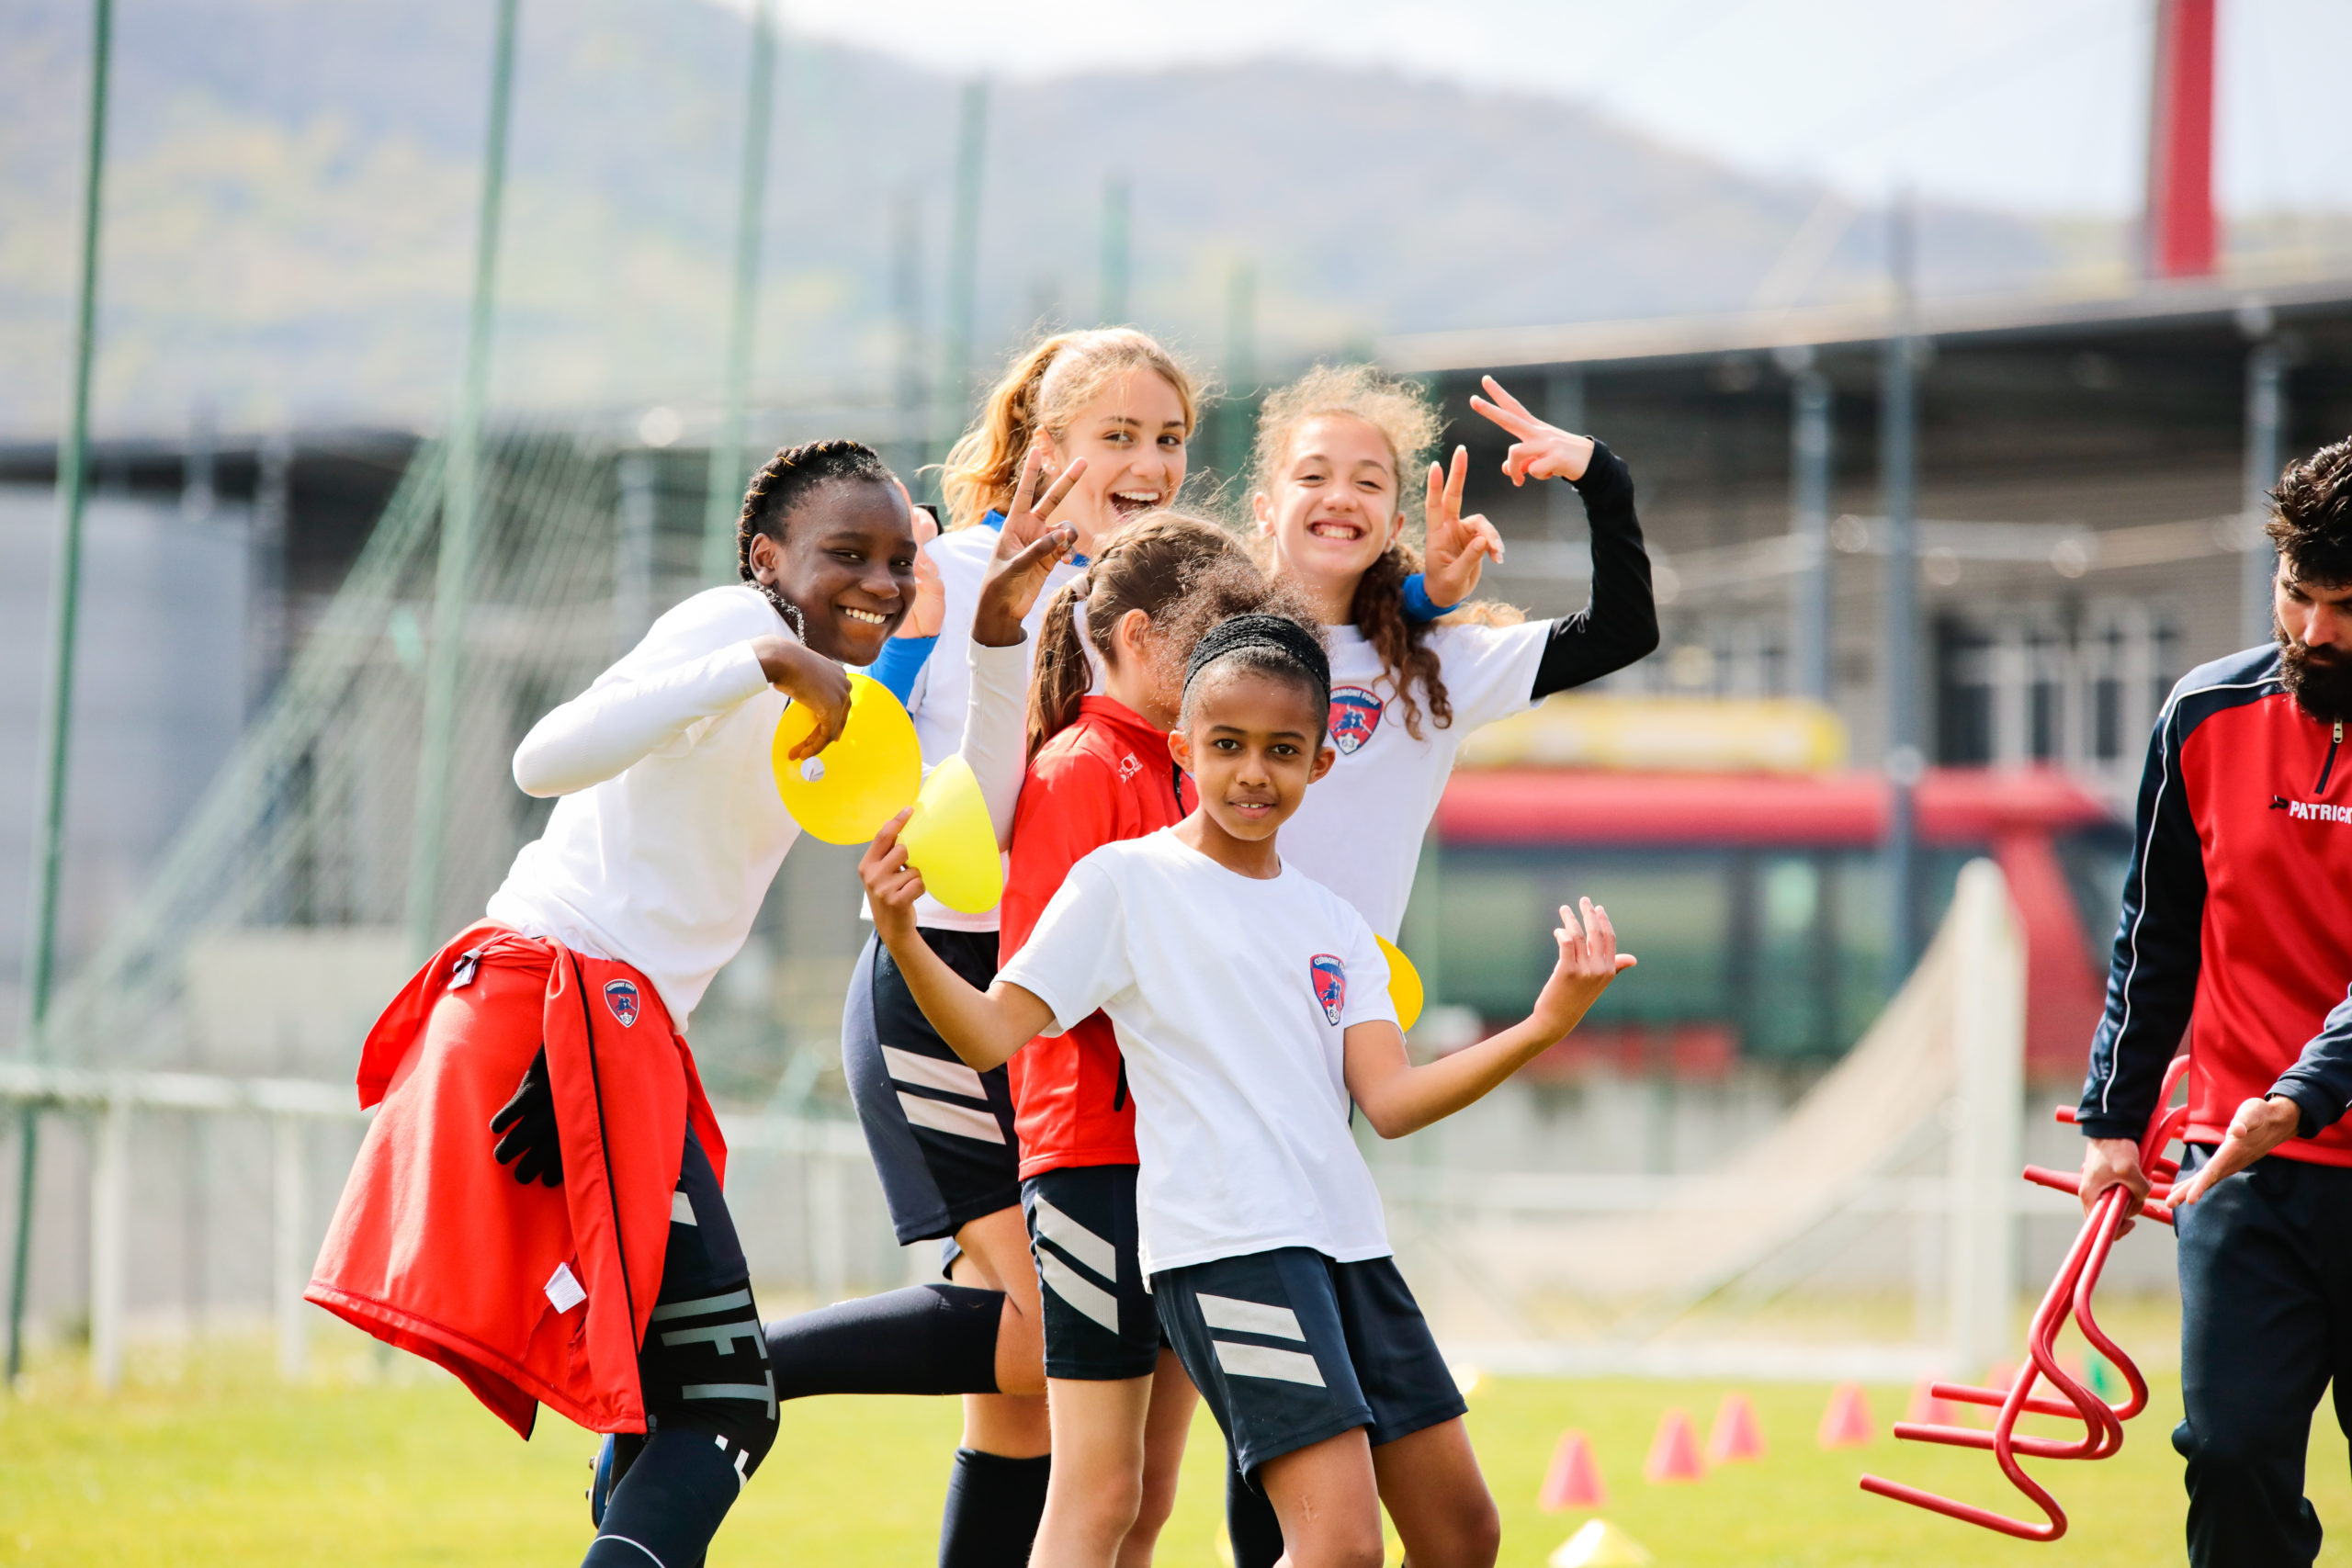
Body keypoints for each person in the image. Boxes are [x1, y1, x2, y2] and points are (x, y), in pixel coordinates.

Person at [308, 438, 1073, 1568]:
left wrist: (997, 628)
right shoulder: (730, 625)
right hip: (549, 1001)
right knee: (724, 1398)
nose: (879, 579)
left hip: (617, 1030)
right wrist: (758, 661)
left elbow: (966, 814)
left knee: (699, 1398)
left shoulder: (858, 702)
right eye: (844, 555)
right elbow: (540, 758)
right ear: (768, 559)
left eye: (897, 559)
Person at [860, 612, 1635, 1568]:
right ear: (1185, 747)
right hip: (1228, 1250)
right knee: (1338, 1545)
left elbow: (1388, 1104)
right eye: (1226, 746)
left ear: (1320, 764)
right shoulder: (1125, 882)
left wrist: (1542, 1025)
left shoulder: (1336, 924)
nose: (1253, 773)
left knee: (1463, 1533)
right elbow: (987, 1029)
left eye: (1282, 750)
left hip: (1349, 1248)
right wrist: (902, 939)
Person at [814, 326, 1203, 1568]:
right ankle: (722, 1373)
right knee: (1050, 1336)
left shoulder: (1159, 599)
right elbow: (948, 808)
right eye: (1119, 436)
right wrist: (984, 625)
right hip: (944, 983)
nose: (1149, 461)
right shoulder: (959, 569)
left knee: (1023, 1389)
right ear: (1050, 447)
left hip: (1068, 1006)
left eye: (1169, 439)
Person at [1000, 515, 1306, 1568]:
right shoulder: (1081, 765)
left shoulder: (1190, 768)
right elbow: (1052, 980)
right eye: (1212, 636)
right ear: (1137, 636)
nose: (1230, 665)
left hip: (1183, 1168)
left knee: (1153, 1496)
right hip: (1091, 1155)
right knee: (1097, 1491)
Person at [2076, 435, 2352, 1567]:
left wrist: (2297, 1094)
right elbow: (2155, 934)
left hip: (2286, 1117)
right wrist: (2111, 1118)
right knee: (2229, 1455)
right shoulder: (2200, 715)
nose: (2316, 632)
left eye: (2347, 607)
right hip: (2241, 1175)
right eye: (2298, 594)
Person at [1248, 365, 1658, 942]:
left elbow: (1623, 632)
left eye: (1368, 484)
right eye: (1313, 476)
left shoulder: (1434, 664)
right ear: (1265, 509)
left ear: (1394, 526)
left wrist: (1600, 477)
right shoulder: (1207, 639)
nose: (1340, 498)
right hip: (1203, 1002)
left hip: (1344, 1014)